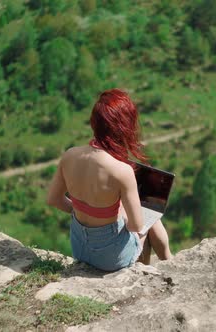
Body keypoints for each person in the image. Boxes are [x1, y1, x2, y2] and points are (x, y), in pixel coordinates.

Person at [46, 88, 172, 271]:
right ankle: (168, 263)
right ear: (124, 127)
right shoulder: (122, 171)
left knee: (129, 212)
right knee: (151, 216)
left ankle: (160, 262)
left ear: (94, 123)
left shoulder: (69, 155)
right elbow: (136, 225)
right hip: (111, 258)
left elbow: (53, 200)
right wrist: (118, 216)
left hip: (79, 248)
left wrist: (88, 213)